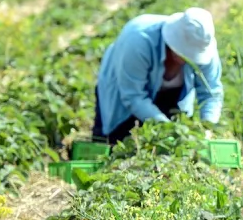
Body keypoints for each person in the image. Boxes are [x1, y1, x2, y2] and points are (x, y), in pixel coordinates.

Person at [93, 8, 223, 144]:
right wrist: (167, 129)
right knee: (113, 146)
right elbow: (133, 96)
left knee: (171, 149)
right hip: (123, 96)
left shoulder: (203, 48)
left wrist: (207, 127)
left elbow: (211, 93)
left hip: (174, 98)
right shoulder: (138, 40)